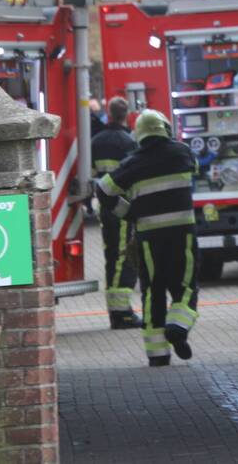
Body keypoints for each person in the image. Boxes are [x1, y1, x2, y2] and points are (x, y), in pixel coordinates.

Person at [96, 109, 200, 366]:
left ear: (139, 135)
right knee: (185, 286)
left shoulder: (133, 162)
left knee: (153, 291)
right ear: (165, 128)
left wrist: (129, 213)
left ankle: (158, 355)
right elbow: (195, 167)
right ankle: (178, 326)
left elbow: (103, 190)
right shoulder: (182, 152)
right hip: (182, 234)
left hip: (149, 237)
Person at [91, 97, 141, 329]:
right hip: (122, 206)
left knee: (111, 255)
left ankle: (116, 311)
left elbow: (91, 172)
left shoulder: (96, 140)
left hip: (104, 206)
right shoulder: (128, 141)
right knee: (123, 256)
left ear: (109, 113)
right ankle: (122, 312)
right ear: (126, 114)